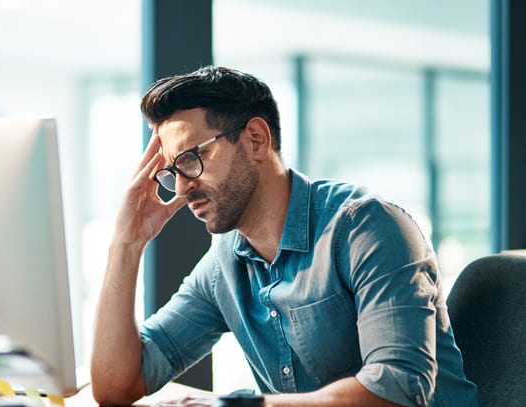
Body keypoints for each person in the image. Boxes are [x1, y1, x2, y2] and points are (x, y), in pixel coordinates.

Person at [90, 66, 478, 407]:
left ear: (256, 139)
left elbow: (397, 391)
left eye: (191, 159)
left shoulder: (367, 229)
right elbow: (117, 385)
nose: (182, 187)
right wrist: (127, 243)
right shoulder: (224, 266)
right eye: (173, 171)